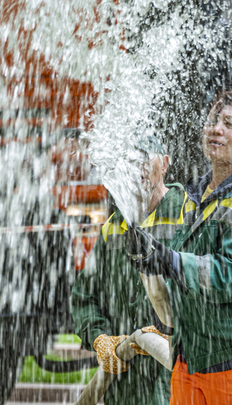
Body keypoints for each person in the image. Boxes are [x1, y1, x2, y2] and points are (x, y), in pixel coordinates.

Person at [123, 91, 232, 404]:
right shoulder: (203, 193)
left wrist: (173, 262)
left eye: (230, 123)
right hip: (196, 355)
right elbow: (192, 262)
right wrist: (155, 258)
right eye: (212, 122)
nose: (216, 129)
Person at [71, 135, 183, 405]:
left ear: (165, 164)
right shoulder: (113, 227)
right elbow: (84, 296)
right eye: (131, 161)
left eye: (146, 159)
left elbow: (205, 291)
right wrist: (99, 339)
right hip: (121, 388)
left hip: (173, 383)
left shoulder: (187, 216)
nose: (138, 168)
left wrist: (174, 327)